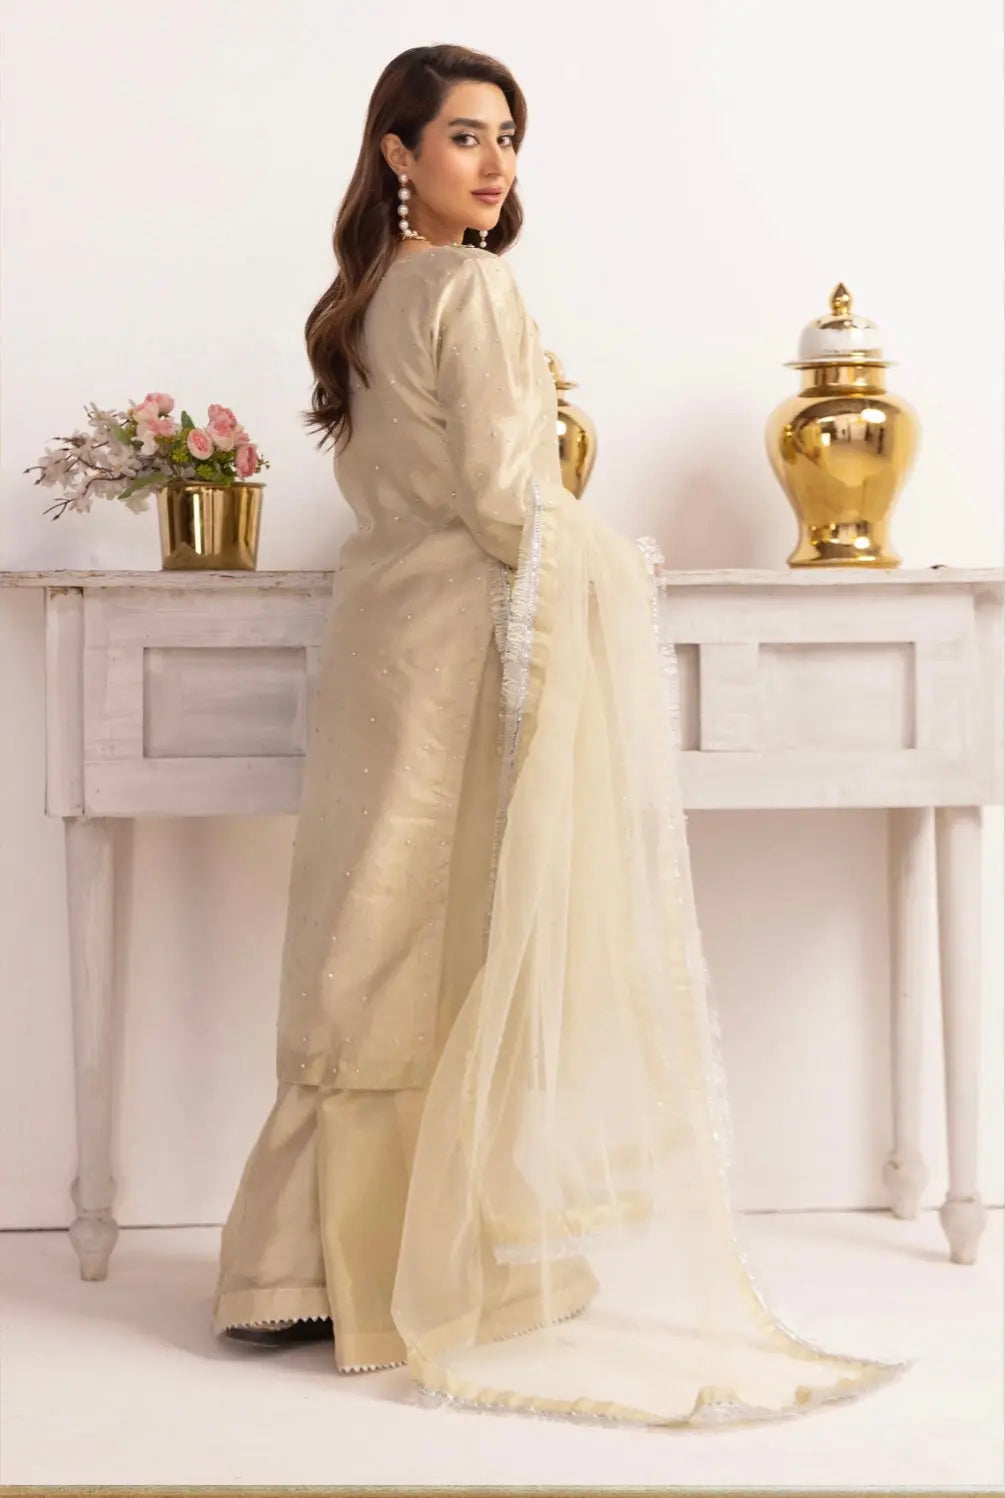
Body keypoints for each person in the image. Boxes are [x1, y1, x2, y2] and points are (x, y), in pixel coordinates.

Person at [212, 43, 907, 1426]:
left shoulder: (361, 297)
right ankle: (414, 1269)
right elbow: (498, 494)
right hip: (462, 644)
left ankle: (307, 1264)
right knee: (446, 930)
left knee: (370, 929)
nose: (494, 163)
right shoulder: (470, 286)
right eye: (464, 135)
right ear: (398, 152)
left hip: (379, 639)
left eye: (507, 137)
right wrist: (617, 565)